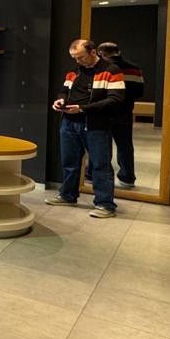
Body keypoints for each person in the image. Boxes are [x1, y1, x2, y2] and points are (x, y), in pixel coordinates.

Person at [48, 38, 126, 217]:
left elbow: (116, 100)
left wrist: (83, 108)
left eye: (81, 57)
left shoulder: (111, 70)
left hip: (96, 125)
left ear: (93, 52)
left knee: (100, 165)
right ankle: (67, 195)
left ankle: (105, 204)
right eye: (74, 58)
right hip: (69, 122)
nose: (78, 61)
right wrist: (60, 100)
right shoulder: (74, 71)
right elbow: (64, 90)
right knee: (70, 163)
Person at [97, 41, 144, 187]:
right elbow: (139, 92)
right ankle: (127, 177)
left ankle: (99, 175)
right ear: (119, 52)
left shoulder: (103, 68)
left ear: (101, 53)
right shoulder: (134, 68)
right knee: (125, 145)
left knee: (101, 145)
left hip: (104, 111)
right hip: (125, 111)